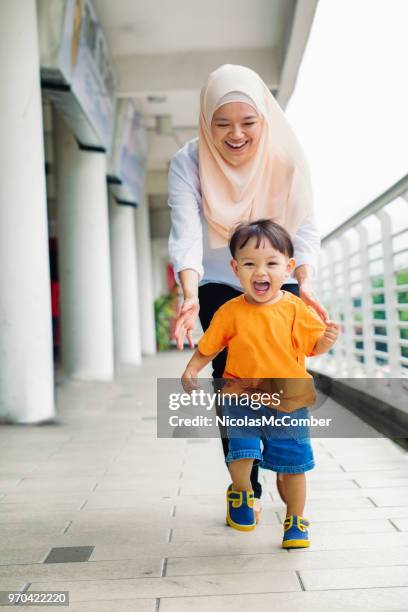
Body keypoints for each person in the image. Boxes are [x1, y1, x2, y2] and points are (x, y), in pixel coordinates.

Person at [168, 64, 328, 521]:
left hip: (282, 270)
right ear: (206, 122)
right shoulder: (187, 161)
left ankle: (284, 452)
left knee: (282, 366)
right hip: (218, 277)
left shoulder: (287, 157)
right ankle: (244, 477)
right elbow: (185, 234)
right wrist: (190, 294)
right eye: (222, 124)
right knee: (231, 370)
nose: (235, 135)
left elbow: (307, 224)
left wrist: (307, 281)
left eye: (248, 123)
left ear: (264, 118)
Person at [181, 220, 339, 548]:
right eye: (249, 263)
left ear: (289, 268)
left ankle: (296, 519)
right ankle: (241, 490)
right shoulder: (230, 311)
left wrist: (326, 340)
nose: (260, 271)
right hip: (241, 394)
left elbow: (313, 346)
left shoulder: (296, 308)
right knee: (242, 449)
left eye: (271, 263)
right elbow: (210, 344)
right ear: (235, 269)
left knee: (293, 464)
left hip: (289, 399)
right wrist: (192, 367)